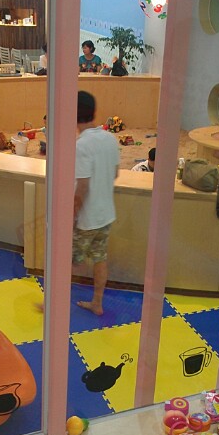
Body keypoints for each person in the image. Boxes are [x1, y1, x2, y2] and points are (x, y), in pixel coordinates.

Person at [74, 91, 120, 316]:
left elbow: (82, 187)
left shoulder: (81, 145)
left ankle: (50, 304)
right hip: (106, 214)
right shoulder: (110, 138)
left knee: (65, 261)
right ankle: (97, 303)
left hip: (87, 218)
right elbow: (115, 173)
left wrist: (71, 215)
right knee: (100, 258)